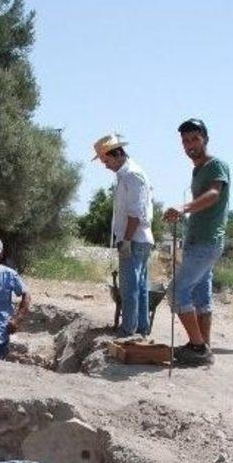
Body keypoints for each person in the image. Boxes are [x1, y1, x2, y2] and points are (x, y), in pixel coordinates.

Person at [164, 118, 230, 366]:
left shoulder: (216, 165)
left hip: (207, 242)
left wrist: (183, 208)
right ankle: (204, 348)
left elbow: (213, 195)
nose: (189, 145)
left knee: (176, 291)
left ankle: (198, 346)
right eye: (185, 141)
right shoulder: (197, 170)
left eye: (194, 139)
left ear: (205, 138)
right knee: (202, 297)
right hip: (197, 240)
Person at [93, 133, 154, 336]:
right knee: (140, 286)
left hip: (135, 238)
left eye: (106, 160)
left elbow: (135, 213)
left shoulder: (132, 175)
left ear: (117, 154)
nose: (105, 165)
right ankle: (141, 329)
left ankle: (128, 330)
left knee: (130, 287)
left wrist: (126, 240)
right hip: (137, 238)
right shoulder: (126, 175)